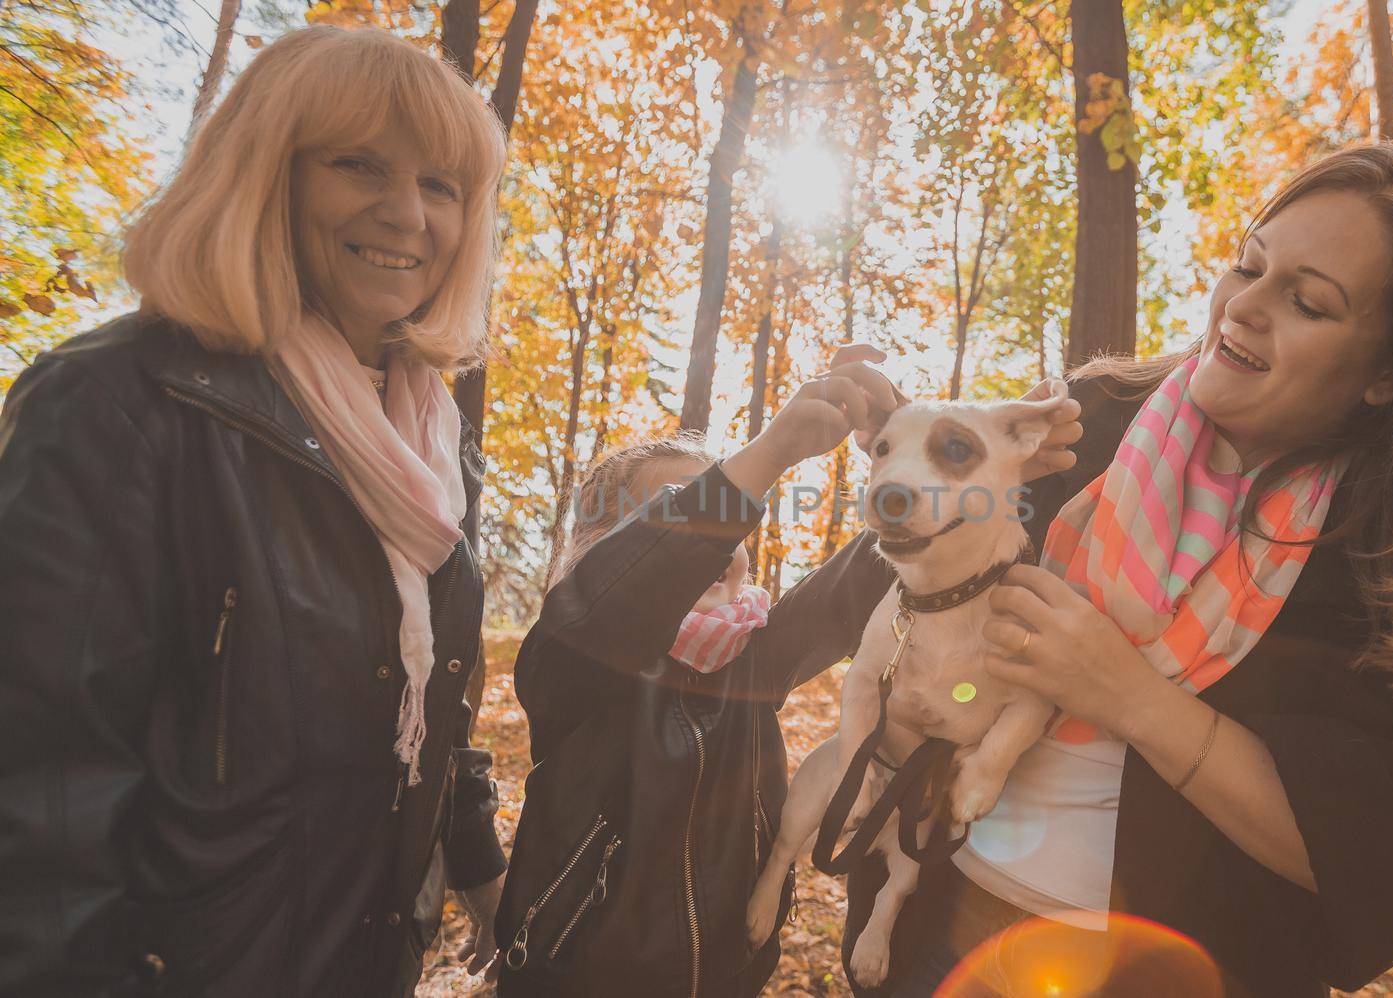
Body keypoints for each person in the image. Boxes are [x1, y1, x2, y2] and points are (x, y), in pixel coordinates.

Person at [836, 143, 1393, 997]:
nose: (1245, 306)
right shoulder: (1092, 421)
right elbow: (866, 599)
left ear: (1392, 371)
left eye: (1306, 302)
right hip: (933, 939)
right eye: (1248, 265)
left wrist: (1130, 697)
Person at [0, 27, 512, 997]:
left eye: (440, 185)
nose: (406, 214)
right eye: (358, 165)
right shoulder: (122, 402)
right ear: (264, 175)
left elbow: (419, 721)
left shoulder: (426, 442)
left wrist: (481, 875)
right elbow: (34, 798)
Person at [495, 346, 1084, 996]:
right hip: (581, 976)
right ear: (607, 553)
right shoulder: (576, 665)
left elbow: (910, 558)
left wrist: (953, 460)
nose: (717, 536)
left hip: (732, 973)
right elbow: (614, 602)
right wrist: (768, 455)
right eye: (686, 506)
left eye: (726, 513)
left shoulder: (750, 659)